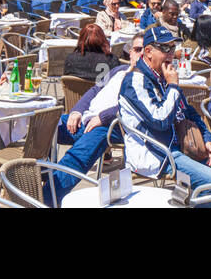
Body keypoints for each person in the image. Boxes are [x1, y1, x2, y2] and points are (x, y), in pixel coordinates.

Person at [118, 25, 211, 203]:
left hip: (186, 146)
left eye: (173, 48)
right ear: (148, 51)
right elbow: (160, 120)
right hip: (160, 154)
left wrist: (208, 139)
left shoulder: (163, 77)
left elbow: (191, 113)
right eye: (165, 48)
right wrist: (174, 87)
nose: (171, 53)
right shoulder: (135, 81)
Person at [48, 35, 143, 206]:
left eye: (146, 50)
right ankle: (35, 175)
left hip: (114, 126)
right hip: (87, 119)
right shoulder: (118, 70)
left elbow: (135, 106)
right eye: (137, 49)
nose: (141, 54)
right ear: (130, 53)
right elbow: (94, 90)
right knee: (45, 126)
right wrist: (76, 111)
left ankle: (46, 199)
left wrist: (104, 116)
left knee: (77, 155)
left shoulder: (146, 80)